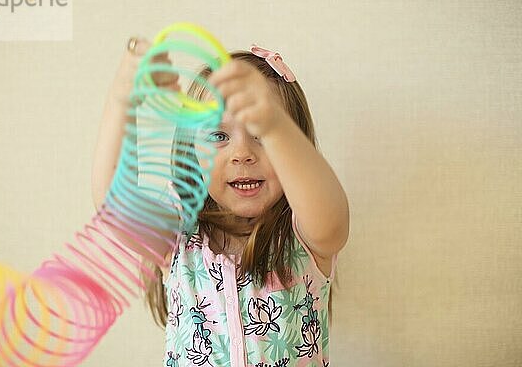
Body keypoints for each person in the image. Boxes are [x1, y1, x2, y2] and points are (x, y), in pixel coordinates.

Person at [92, 37, 350, 367]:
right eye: (218, 136)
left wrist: (275, 125)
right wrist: (123, 99)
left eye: (260, 135)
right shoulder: (177, 234)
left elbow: (331, 216)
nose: (242, 154)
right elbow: (115, 205)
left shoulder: (306, 234)